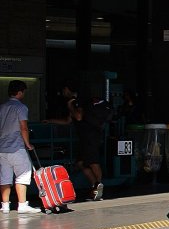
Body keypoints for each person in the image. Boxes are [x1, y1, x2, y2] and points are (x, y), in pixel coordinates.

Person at [46, 84, 107, 201]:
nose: (63, 91)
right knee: (80, 163)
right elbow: (68, 120)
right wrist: (50, 121)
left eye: (64, 88)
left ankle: (99, 187)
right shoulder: (74, 102)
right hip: (84, 138)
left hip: (91, 136)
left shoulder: (77, 101)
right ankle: (96, 185)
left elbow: (78, 116)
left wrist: (70, 105)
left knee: (93, 162)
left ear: (68, 89)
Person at [0, 80, 41, 214]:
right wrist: (28, 144)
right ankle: (22, 204)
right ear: (20, 92)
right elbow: (23, 127)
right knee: (23, 174)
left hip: (2, 148)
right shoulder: (21, 107)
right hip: (16, 147)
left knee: (4, 177)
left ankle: (5, 205)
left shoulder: (2, 107)